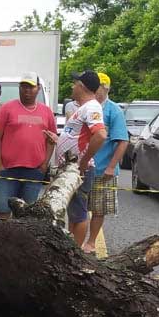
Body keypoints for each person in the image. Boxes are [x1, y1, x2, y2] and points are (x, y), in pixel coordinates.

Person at [0, 72, 56, 217]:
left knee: (27, 214)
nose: (27, 90)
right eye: (24, 86)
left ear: (38, 88)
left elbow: (51, 140)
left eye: (31, 87)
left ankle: (20, 240)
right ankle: (3, 239)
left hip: (34, 171)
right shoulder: (6, 108)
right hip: (7, 170)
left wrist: (44, 165)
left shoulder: (47, 112)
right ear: (19, 87)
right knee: (3, 211)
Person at [85, 72, 129, 254]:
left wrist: (111, 167)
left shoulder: (113, 110)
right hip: (84, 166)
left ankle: (91, 242)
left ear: (106, 89)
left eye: (99, 88)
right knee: (79, 207)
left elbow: (123, 141)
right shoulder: (86, 107)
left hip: (103, 168)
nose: (95, 91)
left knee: (99, 208)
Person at [63, 70, 107, 250]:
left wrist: (83, 162)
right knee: (73, 213)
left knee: (79, 213)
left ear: (81, 86)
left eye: (75, 84)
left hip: (80, 168)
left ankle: (75, 253)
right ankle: (71, 249)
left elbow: (101, 135)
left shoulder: (92, 107)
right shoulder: (84, 108)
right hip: (73, 167)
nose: (72, 87)